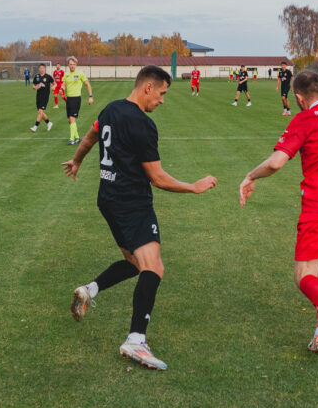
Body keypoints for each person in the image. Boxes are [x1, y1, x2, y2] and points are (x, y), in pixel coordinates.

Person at [64, 65, 217, 370]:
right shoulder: (142, 124)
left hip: (106, 199)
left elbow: (92, 136)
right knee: (154, 268)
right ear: (148, 87)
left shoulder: (110, 110)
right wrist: (193, 187)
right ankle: (136, 341)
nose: (162, 100)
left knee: (136, 264)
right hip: (132, 203)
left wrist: (77, 161)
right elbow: (157, 178)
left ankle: (89, 291)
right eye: (161, 94)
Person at [239, 70, 318, 360]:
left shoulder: (304, 119)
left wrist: (250, 176)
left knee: (303, 277)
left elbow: (276, 163)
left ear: (298, 98)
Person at [62, 56, 94, 145]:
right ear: (68, 65)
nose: (72, 66)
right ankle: (76, 138)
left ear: (76, 65)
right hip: (69, 99)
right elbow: (63, 85)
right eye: (70, 64)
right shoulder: (66, 74)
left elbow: (88, 84)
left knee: (72, 119)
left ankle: (71, 139)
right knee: (69, 120)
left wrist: (90, 96)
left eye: (73, 64)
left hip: (76, 99)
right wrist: (61, 89)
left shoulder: (80, 74)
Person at [29, 63, 54, 132]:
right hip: (38, 96)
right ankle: (49, 123)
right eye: (40, 68)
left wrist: (53, 87)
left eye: (43, 68)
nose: (41, 69)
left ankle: (35, 126)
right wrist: (35, 87)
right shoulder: (36, 76)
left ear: (45, 69)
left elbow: (54, 84)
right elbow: (33, 86)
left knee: (40, 111)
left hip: (45, 96)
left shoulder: (48, 76)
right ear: (39, 69)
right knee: (40, 112)